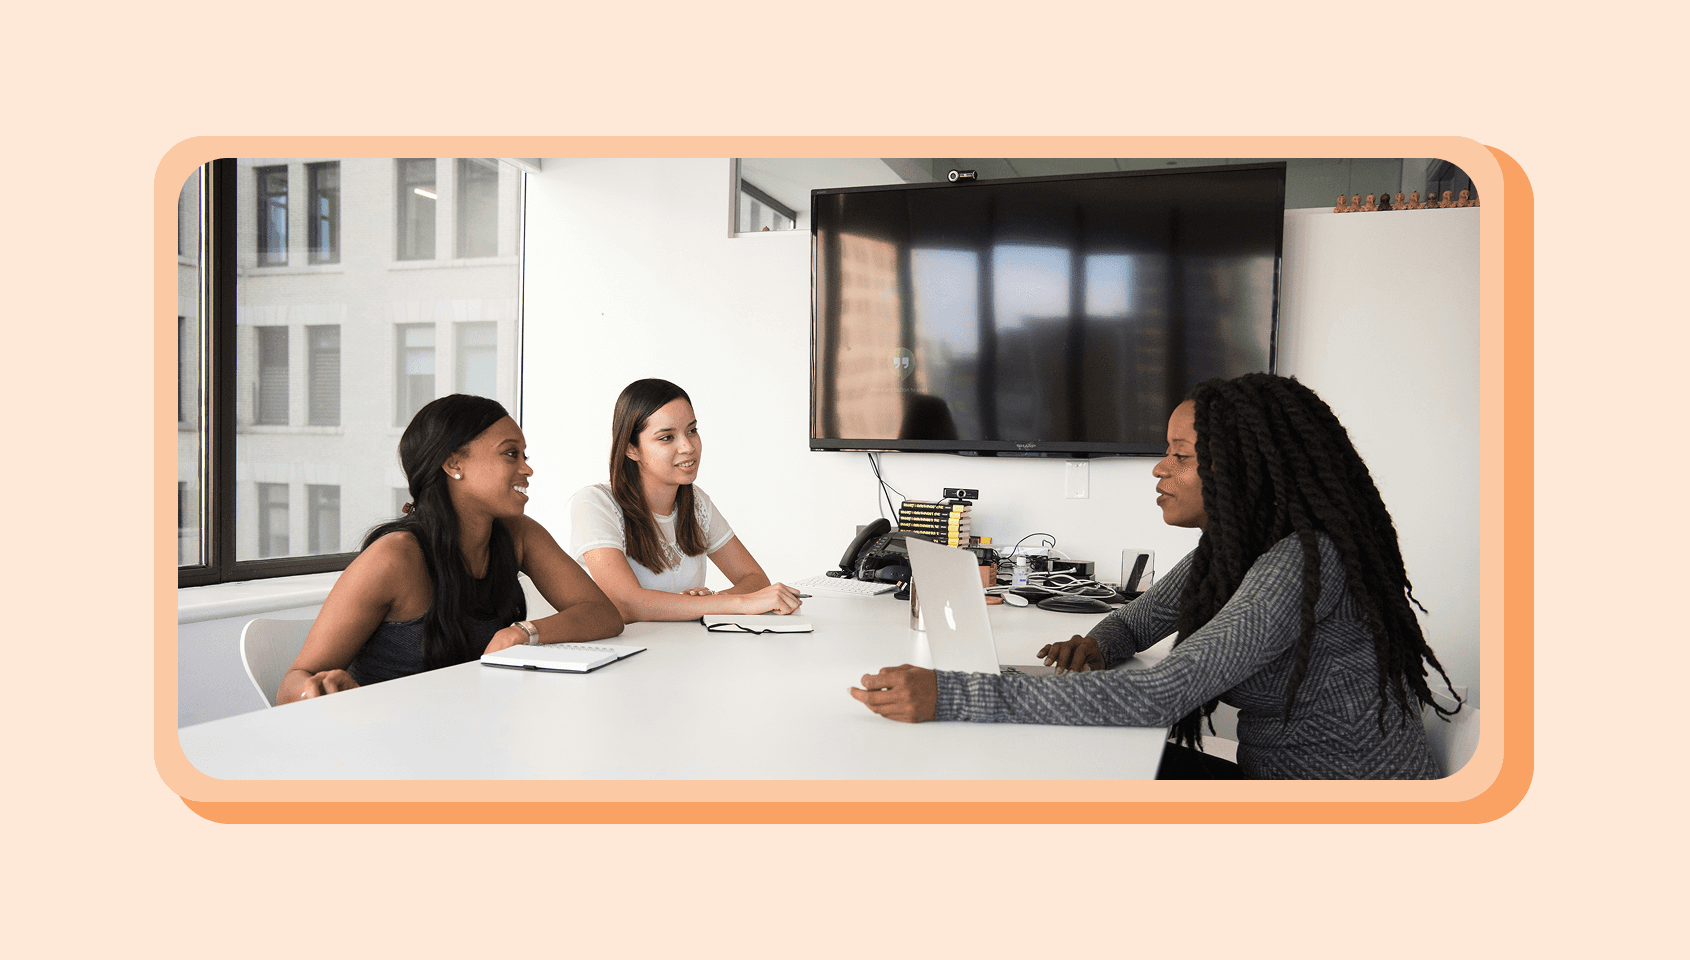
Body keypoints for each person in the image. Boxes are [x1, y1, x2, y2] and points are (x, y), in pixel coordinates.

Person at [850, 373, 1460, 780]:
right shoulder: (1235, 550)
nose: (1160, 469)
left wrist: (951, 694)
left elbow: (1159, 694)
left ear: (1247, 469)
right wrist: (1101, 643)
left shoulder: (1301, 561)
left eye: (1182, 455)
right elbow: (1143, 617)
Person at [277, 395, 624, 703]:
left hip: (470, 730)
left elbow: (603, 614)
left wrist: (522, 632)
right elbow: (291, 686)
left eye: (524, 455)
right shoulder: (394, 558)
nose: (527, 468)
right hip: (390, 745)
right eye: (510, 454)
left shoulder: (518, 534)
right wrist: (316, 691)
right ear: (454, 464)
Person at [570, 378, 801, 622]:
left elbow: (754, 579)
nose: (688, 446)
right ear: (631, 449)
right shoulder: (594, 503)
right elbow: (627, 603)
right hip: (625, 654)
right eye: (667, 437)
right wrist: (726, 604)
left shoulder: (696, 502)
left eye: (691, 430)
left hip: (686, 650)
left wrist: (707, 602)